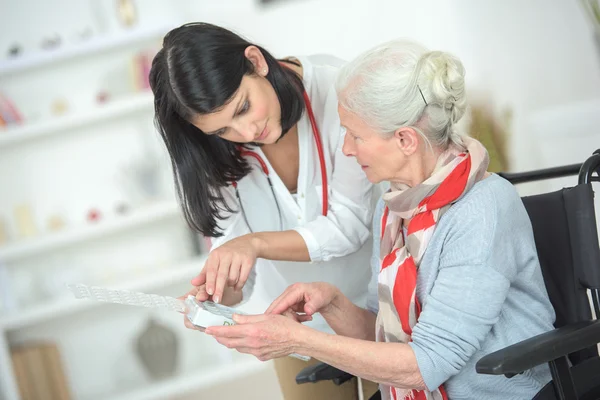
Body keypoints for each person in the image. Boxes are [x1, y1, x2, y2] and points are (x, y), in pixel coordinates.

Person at [200, 39, 557, 400]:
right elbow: (382, 332)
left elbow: (426, 364)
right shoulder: (394, 211)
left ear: (405, 140)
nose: (348, 149)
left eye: (355, 136)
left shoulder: (482, 209)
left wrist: (298, 339)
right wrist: (332, 301)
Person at [149, 23, 378, 399]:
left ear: (255, 61)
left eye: (243, 107)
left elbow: (349, 224)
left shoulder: (342, 90)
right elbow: (244, 275)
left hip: (378, 318)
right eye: (223, 129)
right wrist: (218, 292)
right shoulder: (213, 151)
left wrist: (253, 244)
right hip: (296, 335)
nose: (246, 130)